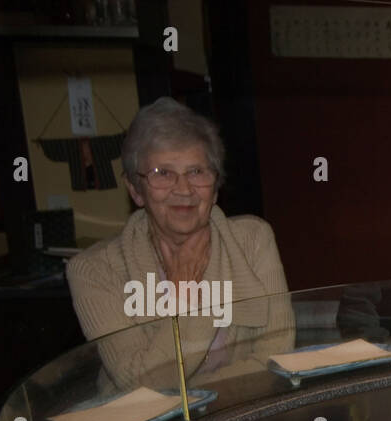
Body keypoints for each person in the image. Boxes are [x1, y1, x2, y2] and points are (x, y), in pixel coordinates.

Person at [66, 97, 293, 392]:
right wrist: (186, 297)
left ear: (215, 188)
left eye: (196, 171)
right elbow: (141, 385)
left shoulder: (253, 239)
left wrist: (196, 396)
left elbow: (277, 355)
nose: (184, 189)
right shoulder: (94, 270)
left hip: (239, 417)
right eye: (163, 174)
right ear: (136, 190)